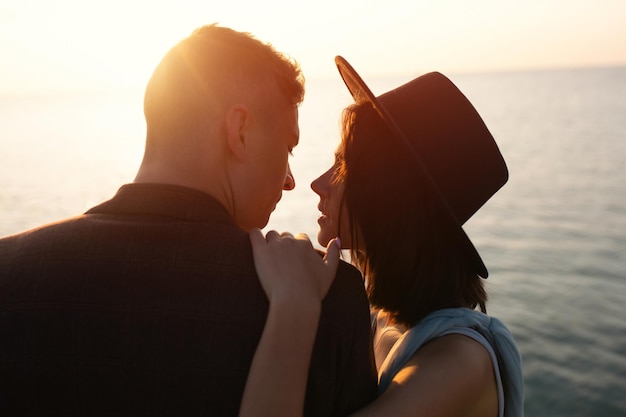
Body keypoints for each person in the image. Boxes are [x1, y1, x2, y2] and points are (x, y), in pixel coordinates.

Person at [0, 28, 378, 416]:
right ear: (240, 132)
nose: (290, 180)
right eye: (288, 148)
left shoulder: (7, 271)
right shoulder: (326, 296)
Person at [241, 56, 524, 417]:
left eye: (342, 166)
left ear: (389, 195)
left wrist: (293, 303)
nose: (317, 184)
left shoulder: (459, 362)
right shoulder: (382, 319)